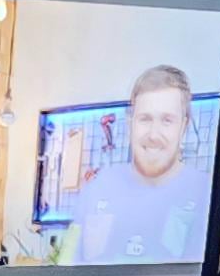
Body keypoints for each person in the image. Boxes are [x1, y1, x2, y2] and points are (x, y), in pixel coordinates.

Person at [75, 66, 209, 265]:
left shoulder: (207, 194)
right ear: (130, 123)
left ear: (184, 126)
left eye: (167, 120)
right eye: (145, 119)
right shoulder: (95, 190)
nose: (153, 134)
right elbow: (68, 270)